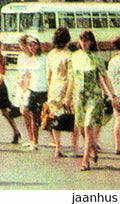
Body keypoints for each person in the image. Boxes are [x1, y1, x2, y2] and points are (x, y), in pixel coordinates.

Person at [71, 30, 120, 171]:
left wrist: (113, 96)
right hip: (79, 96)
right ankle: (92, 148)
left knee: (88, 126)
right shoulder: (74, 57)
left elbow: (105, 78)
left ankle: (85, 160)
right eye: (82, 41)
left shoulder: (96, 58)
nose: (84, 43)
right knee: (81, 126)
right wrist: (67, 97)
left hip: (93, 96)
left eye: (86, 41)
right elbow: (71, 78)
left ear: (91, 42)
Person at [45, 26, 74, 158]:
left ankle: (58, 147)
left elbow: (48, 75)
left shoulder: (50, 55)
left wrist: (49, 91)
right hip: (65, 88)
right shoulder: (69, 55)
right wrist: (69, 95)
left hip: (53, 89)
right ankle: (76, 146)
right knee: (73, 118)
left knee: (55, 118)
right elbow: (71, 77)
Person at [20, 35, 48, 150]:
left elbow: (49, 74)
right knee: (33, 117)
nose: (31, 48)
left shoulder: (44, 58)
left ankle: (56, 143)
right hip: (33, 90)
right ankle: (34, 142)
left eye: (33, 45)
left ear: (37, 45)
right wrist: (24, 90)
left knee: (48, 117)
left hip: (44, 90)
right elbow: (27, 76)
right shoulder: (30, 60)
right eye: (29, 45)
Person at [107, 36, 120, 155]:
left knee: (118, 119)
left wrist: (112, 95)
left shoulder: (112, 61)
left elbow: (110, 79)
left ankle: (118, 146)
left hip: (116, 94)